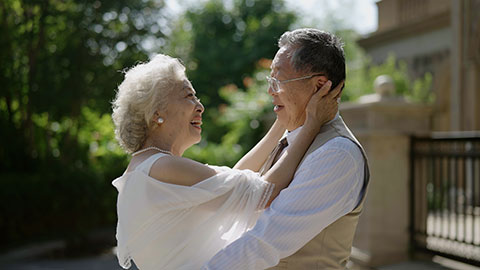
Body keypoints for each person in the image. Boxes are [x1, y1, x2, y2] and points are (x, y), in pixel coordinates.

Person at [110, 54, 342, 270]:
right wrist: (312, 123)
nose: (200, 106)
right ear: (156, 112)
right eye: (188, 96)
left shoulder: (146, 167)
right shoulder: (162, 167)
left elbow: (234, 181)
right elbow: (263, 193)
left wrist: (284, 119)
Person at [204, 29, 370, 270]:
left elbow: (263, 244)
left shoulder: (337, 154)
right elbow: (239, 187)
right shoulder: (292, 137)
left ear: (319, 86)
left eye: (278, 80)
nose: (270, 90)